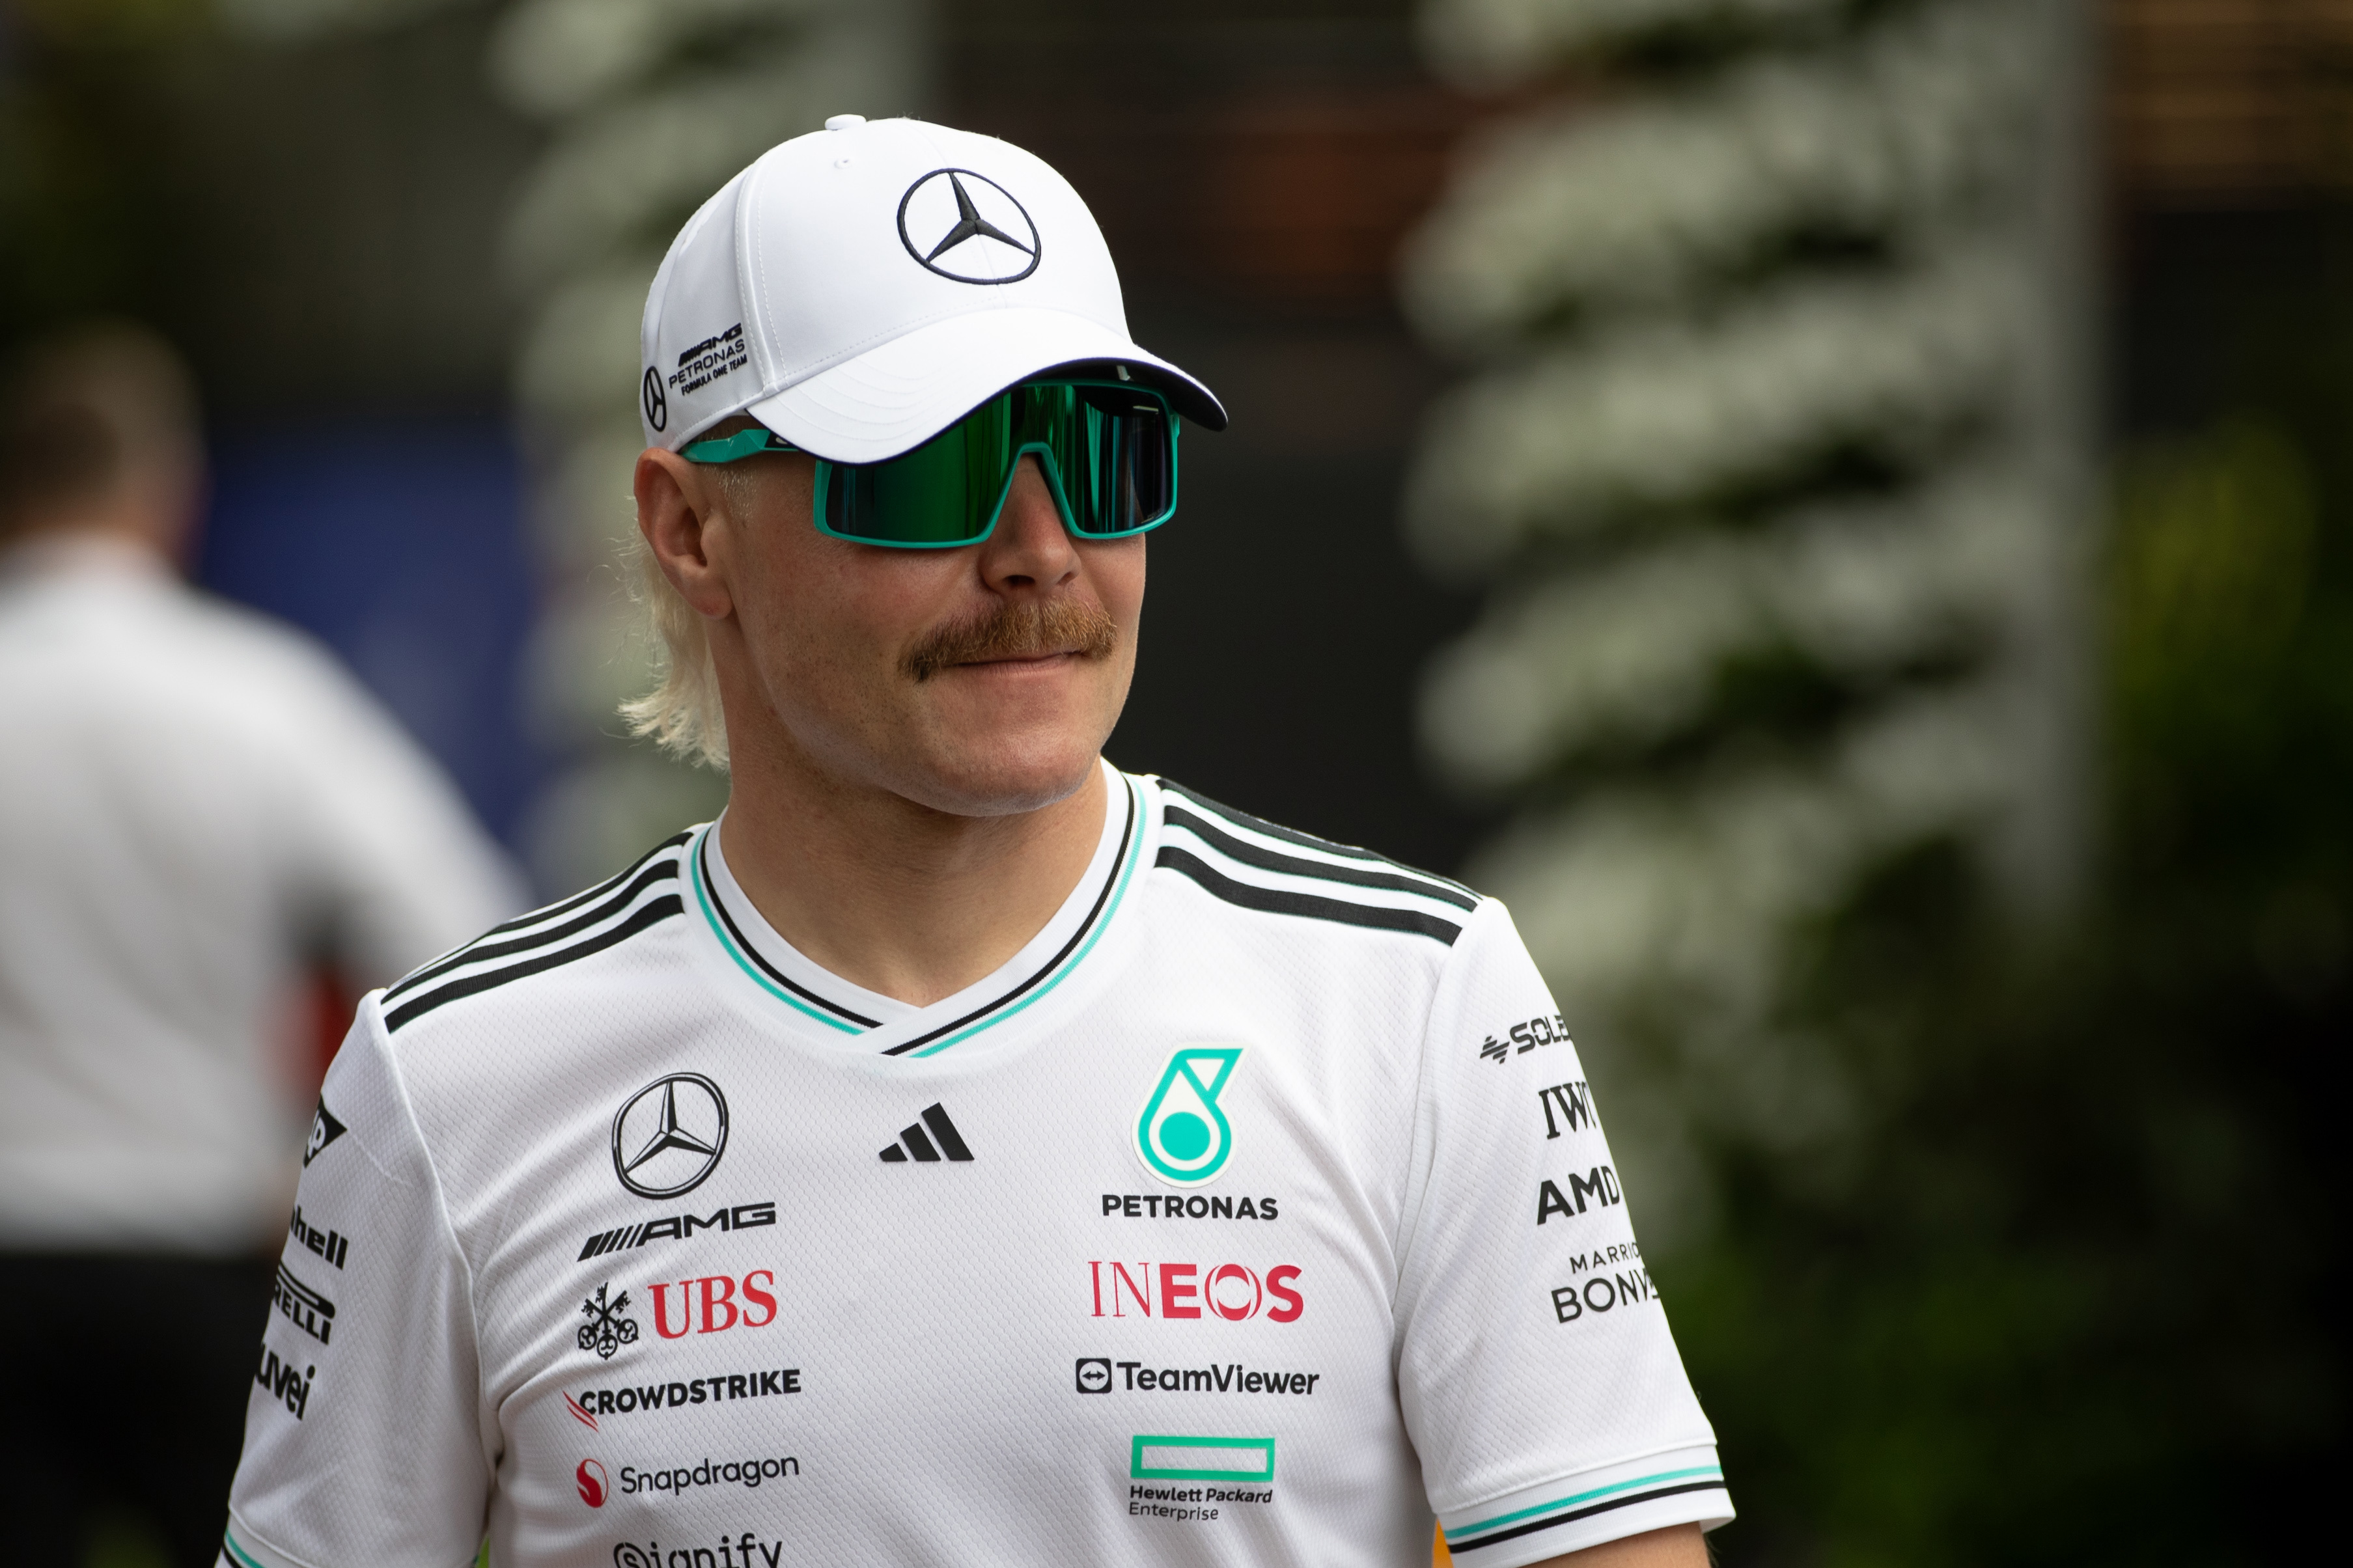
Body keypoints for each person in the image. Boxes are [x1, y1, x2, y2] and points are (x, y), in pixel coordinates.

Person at [218, 118, 1732, 1568]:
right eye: (928, 465)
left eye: (1099, 448)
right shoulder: (446, 1078)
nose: (1039, 550)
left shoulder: (1420, 998)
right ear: (691, 529)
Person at [0, 323, 525, 1568]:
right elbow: (460, 932)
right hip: (204, 1250)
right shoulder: (261, 699)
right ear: (168, 493)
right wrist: (334, 1167)